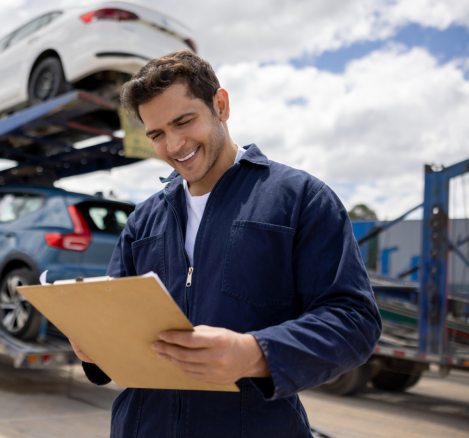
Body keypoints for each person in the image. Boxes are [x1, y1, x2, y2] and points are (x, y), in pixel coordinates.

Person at [69, 50, 382, 437]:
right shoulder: (143, 220)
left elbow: (354, 320)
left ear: (221, 105)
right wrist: (96, 347)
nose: (174, 144)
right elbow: (117, 326)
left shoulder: (300, 199)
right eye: (157, 135)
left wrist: (255, 353)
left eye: (184, 121)